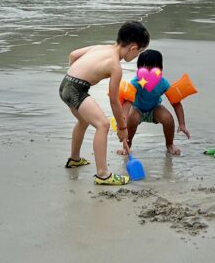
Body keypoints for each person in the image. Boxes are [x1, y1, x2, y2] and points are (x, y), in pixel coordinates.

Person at [59, 20, 150, 186]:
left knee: (83, 121)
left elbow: (73, 55)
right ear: (133, 48)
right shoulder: (115, 66)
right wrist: (122, 129)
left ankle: (74, 159)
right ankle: (103, 174)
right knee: (103, 124)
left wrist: (76, 76)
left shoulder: (101, 47)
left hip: (65, 83)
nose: (136, 56)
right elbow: (114, 101)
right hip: (76, 89)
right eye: (138, 52)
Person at [121, 49, 190, 156]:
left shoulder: (162, 83)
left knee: (168, 118)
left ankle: (170, 144)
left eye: (153, 68)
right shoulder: (136, 82)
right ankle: (127, 146)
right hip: (137, 109)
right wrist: (123, 120)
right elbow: (127, 101)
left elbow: (175, 102)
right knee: (132, 118)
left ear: (160, 69)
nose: (149, 72)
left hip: (154, 108)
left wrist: (182, 124)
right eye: (145, 68)